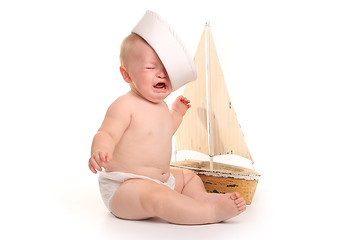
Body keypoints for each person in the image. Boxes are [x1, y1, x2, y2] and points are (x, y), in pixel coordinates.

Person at [88, 32, 246, 225]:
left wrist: (176, 114)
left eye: (167, 68)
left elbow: (163, 134)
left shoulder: (162, 106)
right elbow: (107, 133)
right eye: (151, 67)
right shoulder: (124, 106)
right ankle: (209, 212)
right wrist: (100, 149)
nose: (162, 73)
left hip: (163, 181)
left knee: (188, 177)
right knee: (158, 197)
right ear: (126, 74)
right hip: (126, 187)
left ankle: (200, 198)